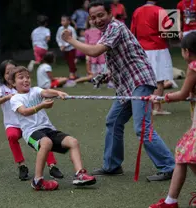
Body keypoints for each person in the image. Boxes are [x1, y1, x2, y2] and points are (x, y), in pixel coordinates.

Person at [62, 0, 175, 181]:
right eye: (93, 17)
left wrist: (70, 40)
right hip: (127, 86)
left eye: (101, 15)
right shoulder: (107, 32)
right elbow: (121, 59)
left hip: (139, 82)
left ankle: (169, 167)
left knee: (142, 128)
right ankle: (112, 166)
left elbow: (94, 52)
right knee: (113, 121)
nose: (98, 20)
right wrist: (105, 75)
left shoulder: (116, 27)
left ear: (110, 14)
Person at [10, 66, 96, 190]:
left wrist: (58, 93)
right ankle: (37, 181)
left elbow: (45, 92)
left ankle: (80, 174)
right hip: (31, 133)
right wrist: (41, 105)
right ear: (13, 83)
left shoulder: (35, 90)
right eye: (21, 78)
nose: (26, 80)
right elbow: (24, 112)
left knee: (73, 142)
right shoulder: (15, 98)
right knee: (46, 143)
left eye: (28, 77)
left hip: (48, 130)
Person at [0, 60, 64, 180]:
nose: (10, 74)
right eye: (7, 72)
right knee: (12, 136)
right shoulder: (1, 87)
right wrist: (7, 97)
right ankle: (22, 165)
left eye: (13, 71)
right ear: (3, 76)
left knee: (43, 138)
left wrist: (56, 93)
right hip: (13, 124)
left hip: (29, 123)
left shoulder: (24, 86)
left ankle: (52, 166)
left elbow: (42, 92)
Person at [148, 31, 196, 208]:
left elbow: (183, 94)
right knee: (185, 155)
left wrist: (162, 98)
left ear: (186, 51)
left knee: (184, 153)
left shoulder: (193, 66)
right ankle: (171, 201)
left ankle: (171, 202)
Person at [131, 0, 173, 115]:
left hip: (142, 49)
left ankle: (145, 107)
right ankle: (157, 108)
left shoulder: (137, 11)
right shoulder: (160, 10)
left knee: (144, 80)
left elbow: (133, 31)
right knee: (159, 79)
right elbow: (167, 31)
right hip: (158, 48)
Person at [56, 15, 78, 80]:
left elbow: (74, 38)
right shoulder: (60, 29)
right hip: (64, 48)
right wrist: (60, 45)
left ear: (68, 21)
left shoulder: (71, 29)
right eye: (61, 20)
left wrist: (65, 45)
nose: (62, 22)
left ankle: (72, 74)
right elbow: (58, 37)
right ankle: (73, 71)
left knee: (71, 61)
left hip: (71, 48)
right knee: (68, 61)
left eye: (64, 20)